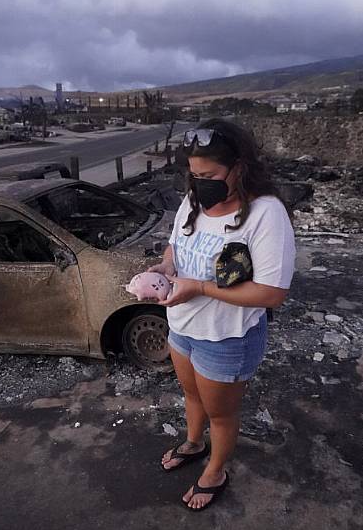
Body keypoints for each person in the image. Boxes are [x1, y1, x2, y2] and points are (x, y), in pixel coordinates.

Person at [148, 118, 295, 511]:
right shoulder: (193, 200)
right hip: (182, 326)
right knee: (191, 395)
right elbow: (174, 247)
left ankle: (216, 469)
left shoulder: (265, 213)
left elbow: (273, 293)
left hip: (227, 337)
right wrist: (165, 268)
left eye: (209, 175)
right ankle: (194, 444)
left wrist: (198, 288)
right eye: (194, 175)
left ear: (240, 166)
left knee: (222, 414)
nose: (199, 184)